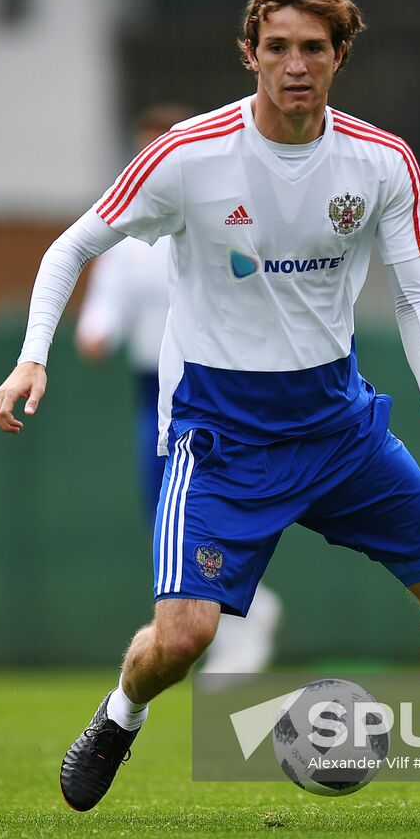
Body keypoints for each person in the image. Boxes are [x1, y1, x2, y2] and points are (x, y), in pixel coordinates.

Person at [0, 0, 420, 821]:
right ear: (249, 55)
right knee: (184, 640)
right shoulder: (188, 154)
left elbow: (415, 293)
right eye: (277, 48)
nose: (294, 65)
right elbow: (70, 247)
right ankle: (120, 716)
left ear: (340, 56)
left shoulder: (381, 162)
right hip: (219, 433)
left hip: (339, 427)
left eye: (313, 48)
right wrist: (32, 356)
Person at [75, 104, 283, 676]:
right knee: (167, 524)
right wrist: (95, 335)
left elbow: (259, 286)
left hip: (227, 394)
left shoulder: (227, 222)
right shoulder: (125, 243)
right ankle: (244, 617)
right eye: (149, 149)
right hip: (156, 400)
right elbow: (101, 315)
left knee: (233, 512)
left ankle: (242, 621)